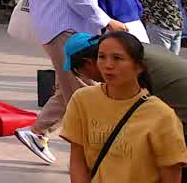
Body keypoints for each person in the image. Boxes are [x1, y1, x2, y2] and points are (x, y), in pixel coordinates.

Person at [15, 0, 124, 165]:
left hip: (58, 28)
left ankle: (37, 132)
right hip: (67, 30)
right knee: (85, 93)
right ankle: (92, 154)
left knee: (69, 89)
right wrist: (108, 21)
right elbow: (79, 0)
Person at [60, 32, 187, 181]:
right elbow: (78, 158)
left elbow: (170, 172)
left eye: (117, 58)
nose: (108, 65)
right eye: (102, 57)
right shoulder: (82, 100)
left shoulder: (161, 114)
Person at [65, 31, 187, 140]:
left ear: (88, 63)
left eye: (81, 73)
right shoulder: (132, 49)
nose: (87, 78)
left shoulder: (124, 69)